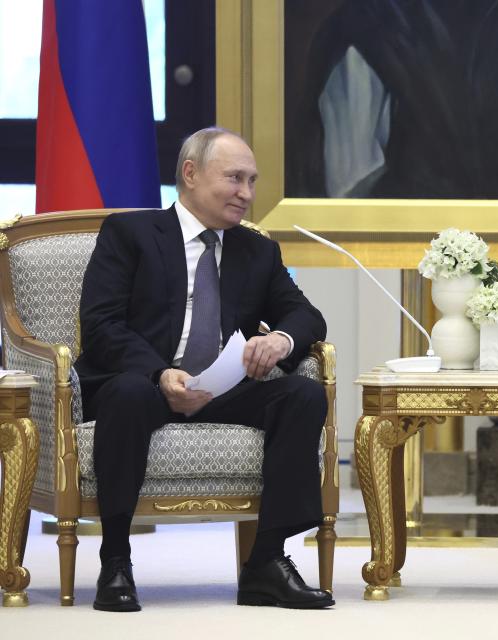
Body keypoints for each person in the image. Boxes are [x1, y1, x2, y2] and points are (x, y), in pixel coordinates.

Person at [76, 128, 334, 612]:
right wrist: (160, 375)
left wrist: (278, 339)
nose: (247, 194)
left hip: (221, 388)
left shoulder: (257, 250)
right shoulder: (131, 234)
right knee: (129, 393)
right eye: (235, 178)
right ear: (191, 174)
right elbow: (102, 326)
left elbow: (305, 316)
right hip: (144, 384)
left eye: (252, 181)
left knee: (302, 395)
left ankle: (266, 563)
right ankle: (115, 562)